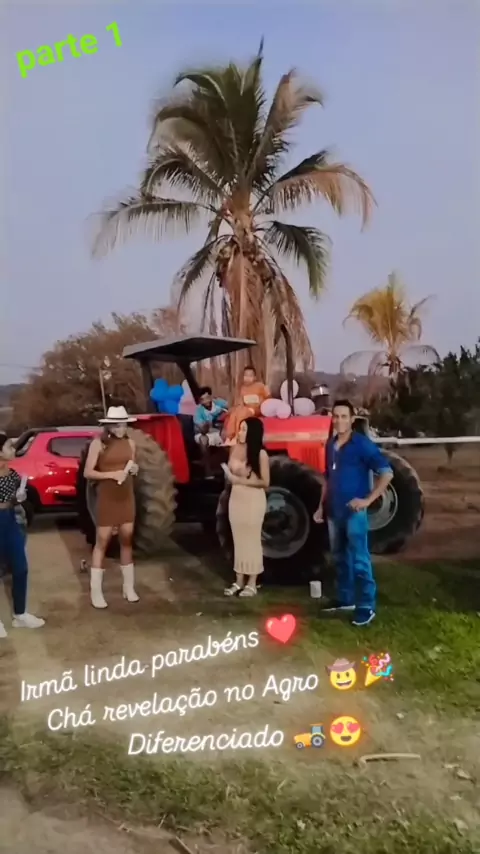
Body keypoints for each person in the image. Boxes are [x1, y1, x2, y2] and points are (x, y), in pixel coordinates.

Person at [313, 400, 393, 627]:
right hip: (333, 510)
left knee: (360, 559)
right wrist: (321, 506)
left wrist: (368, 500)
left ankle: (367, 606)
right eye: (336, 416)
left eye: (344, 416)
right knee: (339, 557)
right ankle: (345, 599)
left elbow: (387, 473)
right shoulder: (331, 444)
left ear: (352, 419)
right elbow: (328, 478)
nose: (339, 421)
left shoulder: (362, 445)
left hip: (354, 513)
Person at [83, 405, 139, 609]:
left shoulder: (131, 443)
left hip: (126, 497)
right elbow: (88, 472)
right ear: (108, 426)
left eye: (122, 424)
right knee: (102, 542)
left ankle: (128, 587)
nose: (120, 428)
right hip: (107, 498)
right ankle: (96, 592)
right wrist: (111, 475)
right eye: (116, 425)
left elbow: (132, 466)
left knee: (127, 540)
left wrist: (134, 469)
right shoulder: (98, 444)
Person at [0, 434, 45, 638]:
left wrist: (20, 497)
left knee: (20, 567)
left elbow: (17, 495)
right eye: (9, 447)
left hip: (10, 521)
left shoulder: (12, 473)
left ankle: (20, 615)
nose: (13, 449)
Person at [224, 417, 270, 597]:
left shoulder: (260, 454)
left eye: (244, 429)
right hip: (236, 498)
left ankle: (252, 583)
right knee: (238, 540)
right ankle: (238, 581)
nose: (240, 433)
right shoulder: (235, 448)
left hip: (253, 500)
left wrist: (239, 480)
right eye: (240, 429)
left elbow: (265, 482)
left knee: (252, 540)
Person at [224, 366, 270, 442]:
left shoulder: (260, 386)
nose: (248, 378)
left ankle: (236, 437)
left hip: (256, 410)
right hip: (245, 408)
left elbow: (268, 398)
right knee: (234, 414)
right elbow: (240, 402)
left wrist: (261, 406)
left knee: (241, 414)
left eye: (250, 375)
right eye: (246, 375)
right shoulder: (242, 388)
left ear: (255, 377)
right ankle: (229, 437)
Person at [193, 386, 229, 476]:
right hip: (204, 433)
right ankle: (208, 471)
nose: (206, 401)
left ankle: (229, 469)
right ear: (200, 401)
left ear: (211, 397)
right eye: (203, 399)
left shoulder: (219, 403)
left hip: (220, 431)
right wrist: (208, 426)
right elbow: (202, 430)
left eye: (207, 398)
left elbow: (231, 409)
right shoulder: (198, 412)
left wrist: (225, 417)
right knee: (203, 439)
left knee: (229, 435)